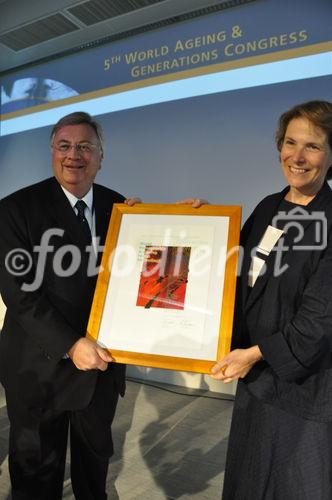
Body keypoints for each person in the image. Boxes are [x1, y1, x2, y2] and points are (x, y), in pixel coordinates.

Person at [0, 111, 136, 499]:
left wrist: (184, 220)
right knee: (36, 478)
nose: (73, 155)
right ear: (52, 152)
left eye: (84, 147)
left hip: (100, 370)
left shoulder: (120, 208)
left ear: (100, 157)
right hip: (37, 369)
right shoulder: (14, 210)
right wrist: (71, 344)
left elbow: (142, 272)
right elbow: (20, 294)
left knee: (94, 472)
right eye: (64, 146)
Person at [211, 100, 332, 499]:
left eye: (312, 146)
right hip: (257, 384)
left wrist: (254, 353)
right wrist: (198, 227)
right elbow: (232, 276)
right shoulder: (268, 207)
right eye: (290, 142)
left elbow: (319, 321)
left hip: (306, 395)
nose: (297, 157)